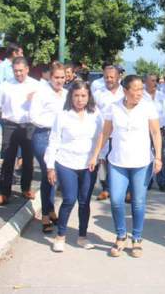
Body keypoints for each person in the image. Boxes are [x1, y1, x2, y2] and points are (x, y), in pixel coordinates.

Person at [88, 75, 163, 258]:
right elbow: (105, 133)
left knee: (138, 202)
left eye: (141, 89)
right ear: (125, 91)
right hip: (117, 162)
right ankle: (121, 235)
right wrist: (95, 155)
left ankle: (137, 238)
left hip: (142, 163)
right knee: (116, 200)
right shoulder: (113, 108)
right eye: (135, 89)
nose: (139, 93)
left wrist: (159, 157)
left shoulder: (147, 107)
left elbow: (155, 132)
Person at [45, 81, 101, 252]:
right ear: (71, 97)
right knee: (69, 199)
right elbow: (54, 140)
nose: (79, 99)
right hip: (66, 162)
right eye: (76, 95)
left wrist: (98, 157)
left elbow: (101, 137)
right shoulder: (63, 115)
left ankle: (82, 237)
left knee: (84, 201)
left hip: (88, 164)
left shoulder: (96, 115)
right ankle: (60, 236)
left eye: (83, 95)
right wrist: (50, 166)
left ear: (89, 97)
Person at [0, 57, 40, 205]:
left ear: (27, 69)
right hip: (9, 125)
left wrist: (36, 99)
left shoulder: (36, 85)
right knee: (8, 160)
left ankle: (25, 188)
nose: (18, 73)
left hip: (29, 126)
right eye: (15, 71)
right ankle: (4, 192)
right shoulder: (5, 86)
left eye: (21, 70)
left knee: (28, 161)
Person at [29, 62, 67, 232]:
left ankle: (51, 209)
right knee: (48, 173)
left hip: (62, 139)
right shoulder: (42, 93)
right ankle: (45, 214)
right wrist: (55, 124)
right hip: (43, 136)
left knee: (56, 176)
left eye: (62, 77)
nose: (59, 81)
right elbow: (34, 117)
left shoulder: (67, 94)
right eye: (56, 77)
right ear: (50, 77)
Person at [92, 65, 124, 201]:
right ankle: (106, 189)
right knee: (103, 162)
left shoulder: (125, 92)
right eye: (106, 77)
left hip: (120, 134)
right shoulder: (98, 94)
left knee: (118, 162)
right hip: (103, 134)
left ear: (118, 77)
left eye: (112, 77)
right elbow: (93, 113)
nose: (109, 80)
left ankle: (121, 190)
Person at [144, 73, 165, 191]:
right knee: (146, 156)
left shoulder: (161, 95)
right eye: (152, 81)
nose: (154, 83)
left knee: (160, 156)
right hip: (144, 130)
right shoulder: (141, 96)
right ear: (145, 82)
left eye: (155, 81)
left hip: (158, 130)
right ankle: (147, 181)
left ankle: (162, 182)